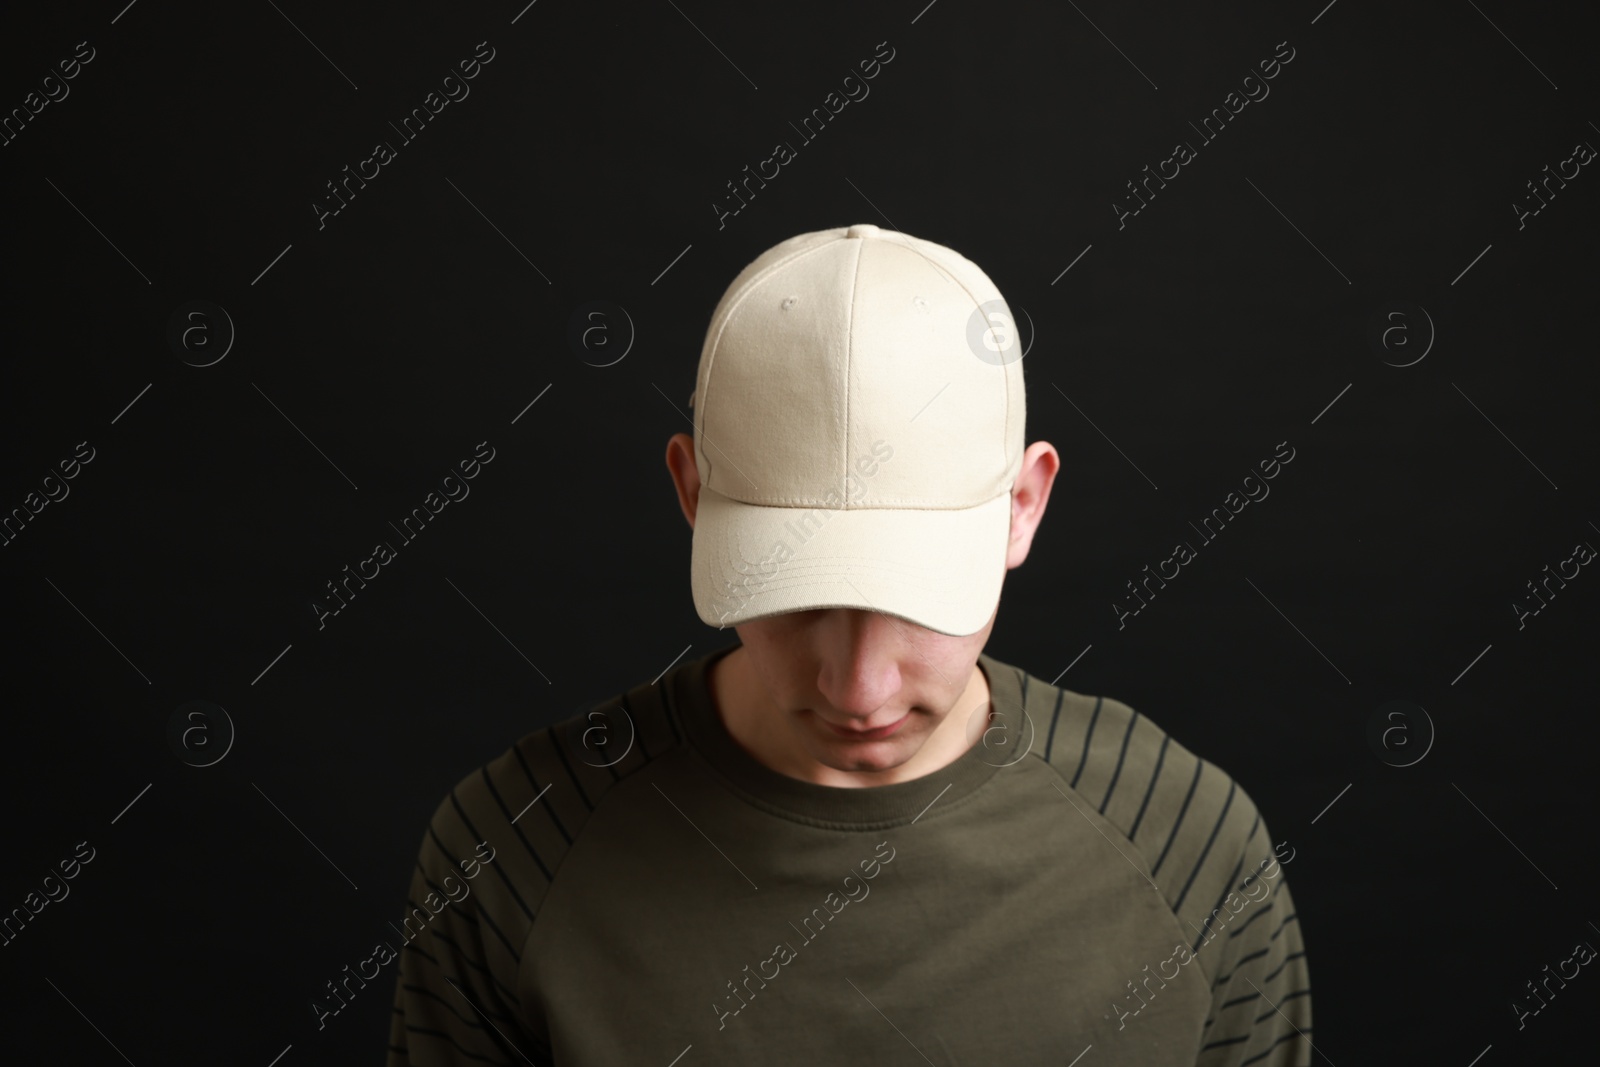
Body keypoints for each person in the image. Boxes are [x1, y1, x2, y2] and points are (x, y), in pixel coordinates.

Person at [386, 224, 1311, 1065]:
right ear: (693, 492)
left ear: (1023, 507)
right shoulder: (510, 848)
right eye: (796, 596)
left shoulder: (1188, 845)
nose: (859, 689)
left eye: (917, 601)